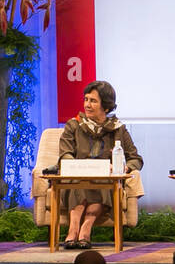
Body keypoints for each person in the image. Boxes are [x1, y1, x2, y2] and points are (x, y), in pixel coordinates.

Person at [58, 81, 142, 250]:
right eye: (86, 99)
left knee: (104, 182)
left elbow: (136, 158)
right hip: (77, 177)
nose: (87, 105)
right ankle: (73, 229)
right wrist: (78, 167)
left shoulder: (118, 129)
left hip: (105, 180)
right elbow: (65, 154)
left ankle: (85, 229)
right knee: (78, 181)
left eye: (93, 101)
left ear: (106, 107)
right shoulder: (74, 125)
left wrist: (125, 167)